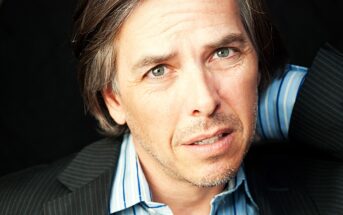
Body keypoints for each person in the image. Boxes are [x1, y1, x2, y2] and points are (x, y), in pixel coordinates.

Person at [1, 0, 343, 214]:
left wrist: (280, 100)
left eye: (224, 53)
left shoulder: (327, 189)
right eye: (158, 70)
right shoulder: (14, 205)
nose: (205, 101)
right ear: (114, 100)